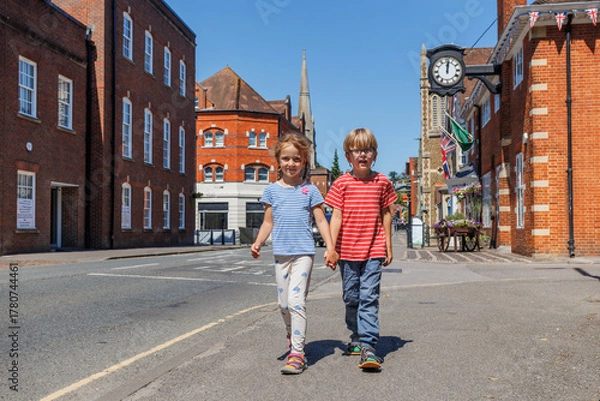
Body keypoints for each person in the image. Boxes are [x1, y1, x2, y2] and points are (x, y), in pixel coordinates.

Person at [251, 133, 338, 375]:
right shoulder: (271, 191)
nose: (291, 164)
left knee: (296, 302)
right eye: (286, 158)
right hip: (280, 254)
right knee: (282, 304)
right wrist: (258, 241)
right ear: (278, 160)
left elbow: (321, 221)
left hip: (303, 254)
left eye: (296, 159)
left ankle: (297, 354)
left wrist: (331, 248)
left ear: (304, 161)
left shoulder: (309, 190)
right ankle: (292, 337)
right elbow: (268, 222)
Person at [325, 127, 397, 371]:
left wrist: (388, 244)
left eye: (367, 150)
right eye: (357, 150)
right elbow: (335, 217)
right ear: (348, 156)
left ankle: (368, 345)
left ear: (374, 154)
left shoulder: (382, 182)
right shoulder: (341, 184)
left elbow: (386, 214)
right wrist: (331, 248)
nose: (362, 155)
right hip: (346, 251)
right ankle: (355, 334)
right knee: (352, 297)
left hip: (373, 249)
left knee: (369, 297)